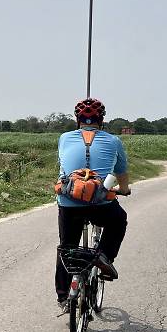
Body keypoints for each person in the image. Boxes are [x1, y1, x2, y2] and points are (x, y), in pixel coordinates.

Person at [55, 98, 130, 310]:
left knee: (67, 247)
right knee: (119, 220)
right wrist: (124, 190)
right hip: (100, 204)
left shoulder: (64, 138)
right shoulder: (114, 141)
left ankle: (63, 297)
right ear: (101, 120)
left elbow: (63, 165)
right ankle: (104, 256)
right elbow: (122, 173)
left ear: (78, 120)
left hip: (69, 202)